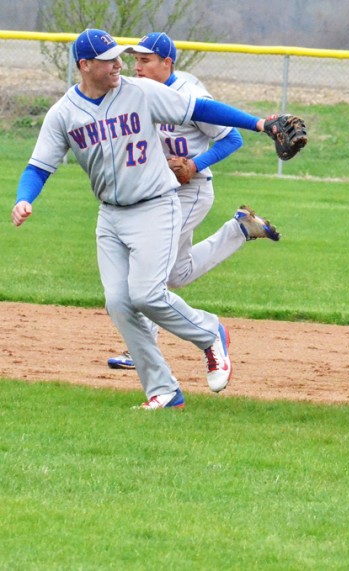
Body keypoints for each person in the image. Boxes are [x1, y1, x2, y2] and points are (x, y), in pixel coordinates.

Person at [12, 29, 294, 409]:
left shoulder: (139, 91)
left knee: (146, 293)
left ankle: (210, 333)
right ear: (85, 66)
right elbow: (38, 166)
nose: (119, 64)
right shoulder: (64, 113)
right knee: (119, 302)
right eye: (110, 59)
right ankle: (163, 390)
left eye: (119, 57)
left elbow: (198, 109)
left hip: (155, 205)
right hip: (110, 216)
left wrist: (259, 125)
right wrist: (24, 199)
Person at [106, 32, 279, 372]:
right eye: (136, 60)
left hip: (190, 191)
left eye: (146, 60)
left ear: (167, 62)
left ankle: (141, 346)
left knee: (150, 265)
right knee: (177, 273)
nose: (137, 67)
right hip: (159, 190)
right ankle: (240, 229)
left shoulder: (189, 97)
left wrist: (195, 165)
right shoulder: (141, 94)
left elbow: (234, 138)